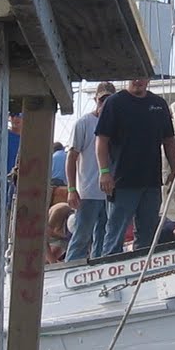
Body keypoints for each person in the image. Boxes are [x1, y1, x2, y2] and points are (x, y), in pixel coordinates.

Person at [95, 79, 175, 257]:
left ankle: (144, 275)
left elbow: (169, 141)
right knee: (115, 234)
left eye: (142, 75)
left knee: (147, 235)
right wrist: (104, 172)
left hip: (151, 182)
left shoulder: (159, 104)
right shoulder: (114, 102)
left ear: (148, 78)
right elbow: (102, 140)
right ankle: (109, 269)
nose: (138, 80)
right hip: (122, 181)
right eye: (134, 75)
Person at [65, 83, 115, 262]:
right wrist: (72, 189)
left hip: (111, 194)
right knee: (81, 237)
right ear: (96, 100)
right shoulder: (83, 123)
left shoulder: (118, 122)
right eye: (102, 100)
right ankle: (70, 269)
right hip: (88, 192)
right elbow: (71, 157)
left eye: (109, 100)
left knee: (103, 239)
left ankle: (98, 271)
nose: (105, 104)